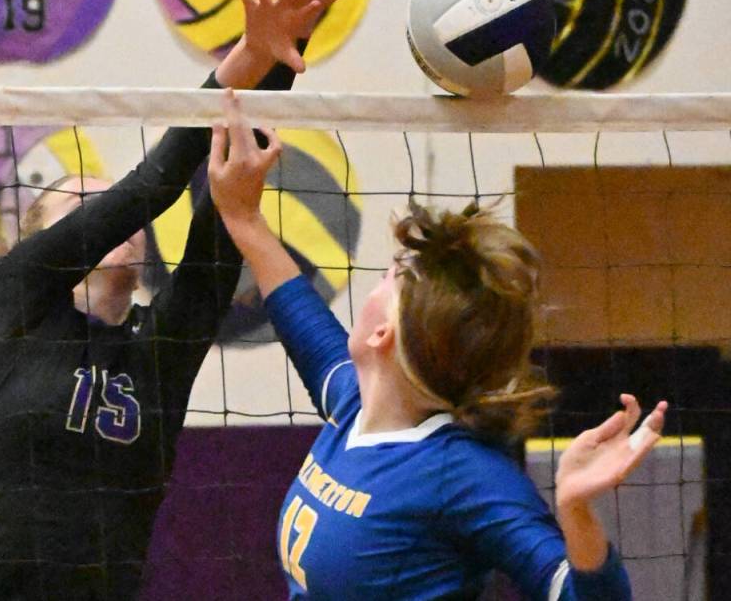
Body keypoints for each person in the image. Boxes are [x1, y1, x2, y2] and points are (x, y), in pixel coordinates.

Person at [0, 0, 388, 600]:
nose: (105, 213)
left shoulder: (156, 355)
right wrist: (252, 50)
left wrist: (290, 38)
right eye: (79, 205)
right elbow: (156, 181)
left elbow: (225, 216)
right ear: (49, 240)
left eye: (101, 201)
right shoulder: (21, 298)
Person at [207, 91, 667, 600]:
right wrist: (243, 216)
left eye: (385, 280)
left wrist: (576, 512)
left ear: (383, 334)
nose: (374, 287)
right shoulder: (354, 407)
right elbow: (301, 316)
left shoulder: (460, 474)